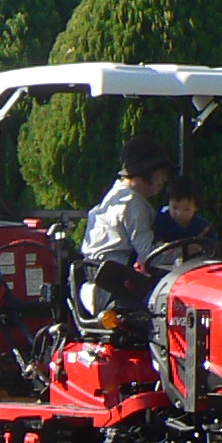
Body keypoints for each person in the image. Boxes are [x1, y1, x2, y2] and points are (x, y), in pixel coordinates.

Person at [76, 133, 177, 321]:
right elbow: (150, 257)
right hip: (117, 291)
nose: (164, 180)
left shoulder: (116, 197)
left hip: (100, 285)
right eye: (161, 173)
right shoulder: (133, 203)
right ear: (148, 170)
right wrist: (183, 253)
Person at [152, 177, 217, 255]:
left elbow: (213, 247)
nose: (180, 213)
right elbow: (156, 238)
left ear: (196, 208)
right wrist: (162, 245)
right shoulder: (162, 220)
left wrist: (200, 247)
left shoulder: (203, 227)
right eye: (175, 208)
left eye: (186, 209)